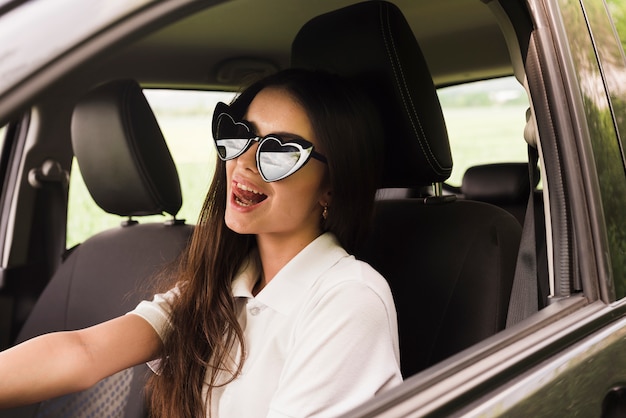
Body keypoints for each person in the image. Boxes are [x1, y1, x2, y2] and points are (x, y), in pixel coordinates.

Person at [0, 68, 402, 417]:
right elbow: (84, 353)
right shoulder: (220, 285)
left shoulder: (349, 299)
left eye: (279, 152)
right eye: (239, 135)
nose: (243, 161)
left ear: (330, 189)